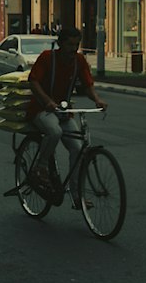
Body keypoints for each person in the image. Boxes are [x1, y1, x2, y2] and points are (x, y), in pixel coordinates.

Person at [26, 26, 107, 203]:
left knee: (78, 149)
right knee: (55, 132)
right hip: (41, 109)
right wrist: (47, 101)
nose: (74, 49)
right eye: (70, 44)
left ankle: (77, 195)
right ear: (60, 44)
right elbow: (33, 82)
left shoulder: (79, 60)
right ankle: (40, 168)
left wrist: (97, 99)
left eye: (76, 44)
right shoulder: (47, 58)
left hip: (64, 112)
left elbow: (87, 84)